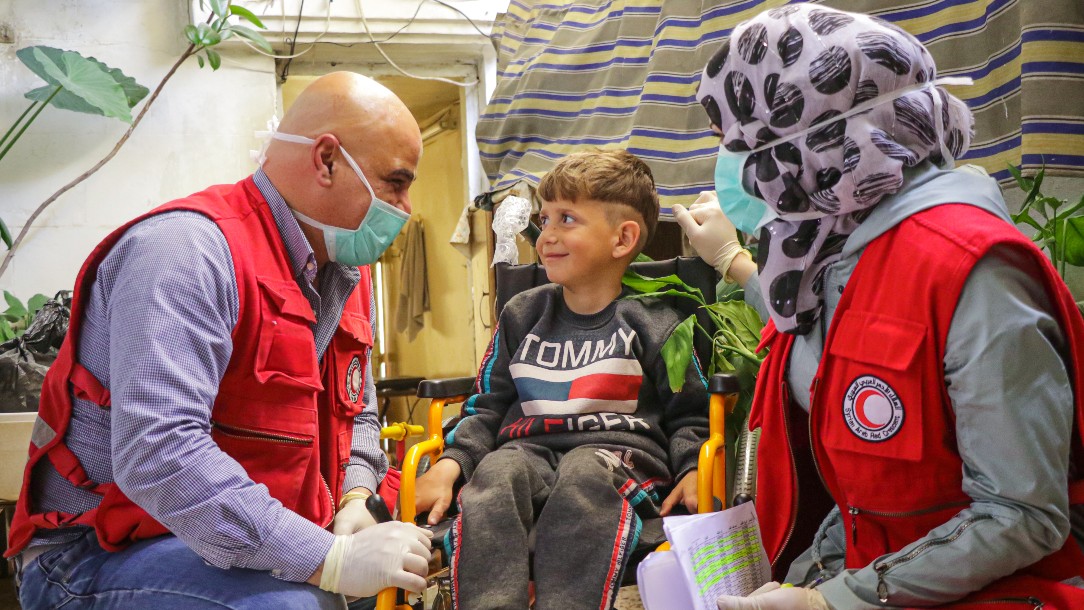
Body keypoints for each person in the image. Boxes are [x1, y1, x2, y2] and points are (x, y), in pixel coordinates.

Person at [673, 5, 1084, 610]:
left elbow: (1022, 516)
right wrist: (733, 261)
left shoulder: (972, 270)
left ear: (826, 144)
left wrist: (836, 601)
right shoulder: (835, 251)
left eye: (751, 143)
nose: (740, 167)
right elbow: (827, 341)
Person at [7, 71, 434, 609]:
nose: (406, 207)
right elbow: (160, 455)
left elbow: (359, 413)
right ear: (326, 160)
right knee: (296, 606)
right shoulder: (187, 252)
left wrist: (355, 496)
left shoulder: (341, 268)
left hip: (230, 543)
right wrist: (329, 559)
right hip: (94, 554)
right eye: (396, 182)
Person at [413, 149, 710, 609]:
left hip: (622, 459)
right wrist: (451, 463)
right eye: (544, 218)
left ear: (623, 238)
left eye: (566, 219)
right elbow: (486, 406)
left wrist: (693, 468)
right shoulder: (522, 314)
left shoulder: (656, 321)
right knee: (498, 470)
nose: (545, 236)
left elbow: (690, 413)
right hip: (527, 451)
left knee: (584, 471)